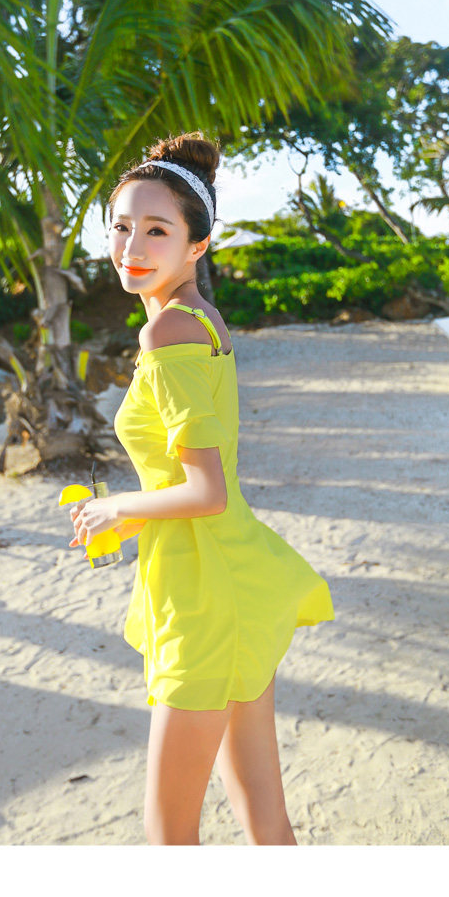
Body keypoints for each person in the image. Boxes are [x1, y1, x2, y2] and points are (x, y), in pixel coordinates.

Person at [67, 132, 334, 846]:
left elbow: (206, 489)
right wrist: (133, 518)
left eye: (158, 230)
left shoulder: (168, 336)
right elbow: (194, 480)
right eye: (121, 226)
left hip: (205, 596)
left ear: (198, 245)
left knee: (169, 835)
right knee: (264, 818)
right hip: (227, 577)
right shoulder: (199, 320)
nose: (132, 246)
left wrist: (116, 506)